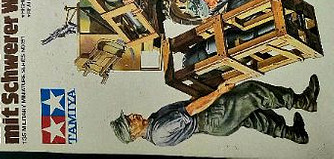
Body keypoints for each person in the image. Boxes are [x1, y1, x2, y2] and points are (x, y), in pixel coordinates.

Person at [111, 75, 319, 146]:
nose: (132, 116)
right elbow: (191, 110)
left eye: (128, 116)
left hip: (212, 120)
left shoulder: (154, 121)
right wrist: (218, 92)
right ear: (133, 135)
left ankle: (294, 135)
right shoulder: (158, 131)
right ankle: (302, 101)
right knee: (251, 93)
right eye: (129, 121)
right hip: (212, 119)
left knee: (252, 116)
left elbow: (189, 103)